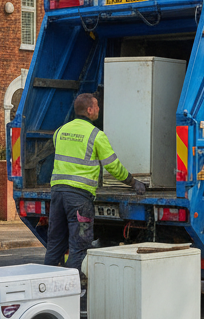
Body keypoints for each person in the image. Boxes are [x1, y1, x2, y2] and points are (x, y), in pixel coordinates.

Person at [45, 93, 147, 279]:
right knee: (79, 245)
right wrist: (133, 182)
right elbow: (113, 167)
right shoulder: (96, 135)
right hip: (78, 198)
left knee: (55, 243)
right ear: (89, 110)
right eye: (97, 106)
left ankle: (45, 285)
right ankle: (71, 289)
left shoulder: (60, 131)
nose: (99, 109)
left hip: (57, 193)